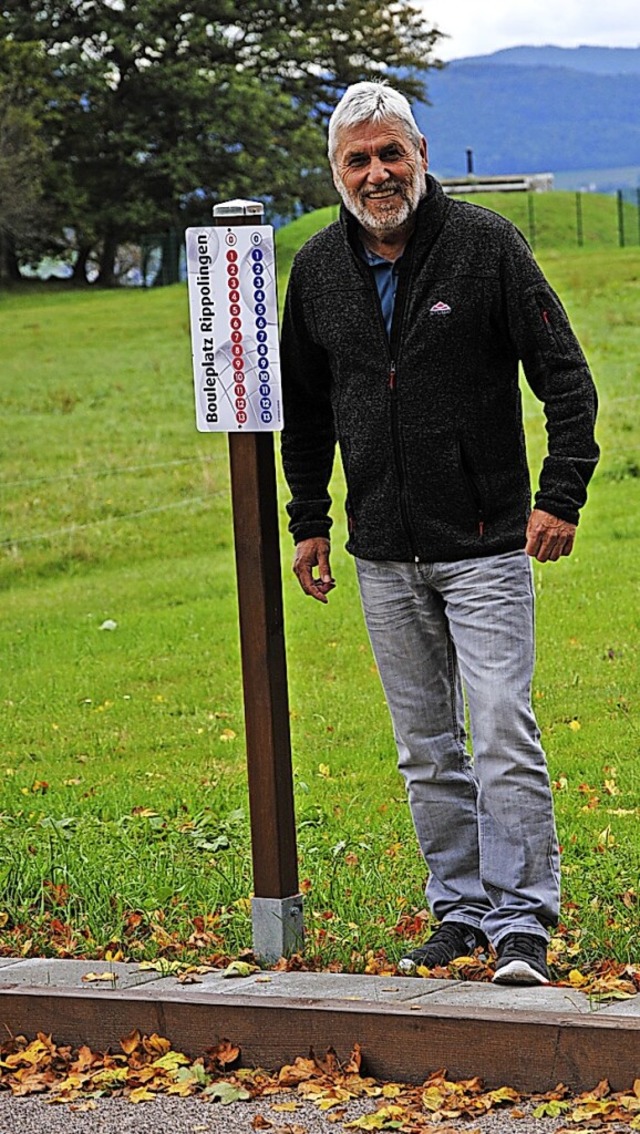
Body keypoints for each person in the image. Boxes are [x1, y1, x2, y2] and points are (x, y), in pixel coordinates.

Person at [279, 81, 599, 985]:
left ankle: (524, 923)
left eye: (392, 153)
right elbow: (304, 412)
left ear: (421, 152)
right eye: (358, 159)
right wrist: (310, 520)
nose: (378, 173)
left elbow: (566, 381)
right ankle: (458, 914)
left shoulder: (486, 247)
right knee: (426, 748)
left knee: (500, 729)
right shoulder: (319, 271)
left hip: (490, 543)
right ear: (336, 172)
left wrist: (560, 494)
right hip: (381, 553)